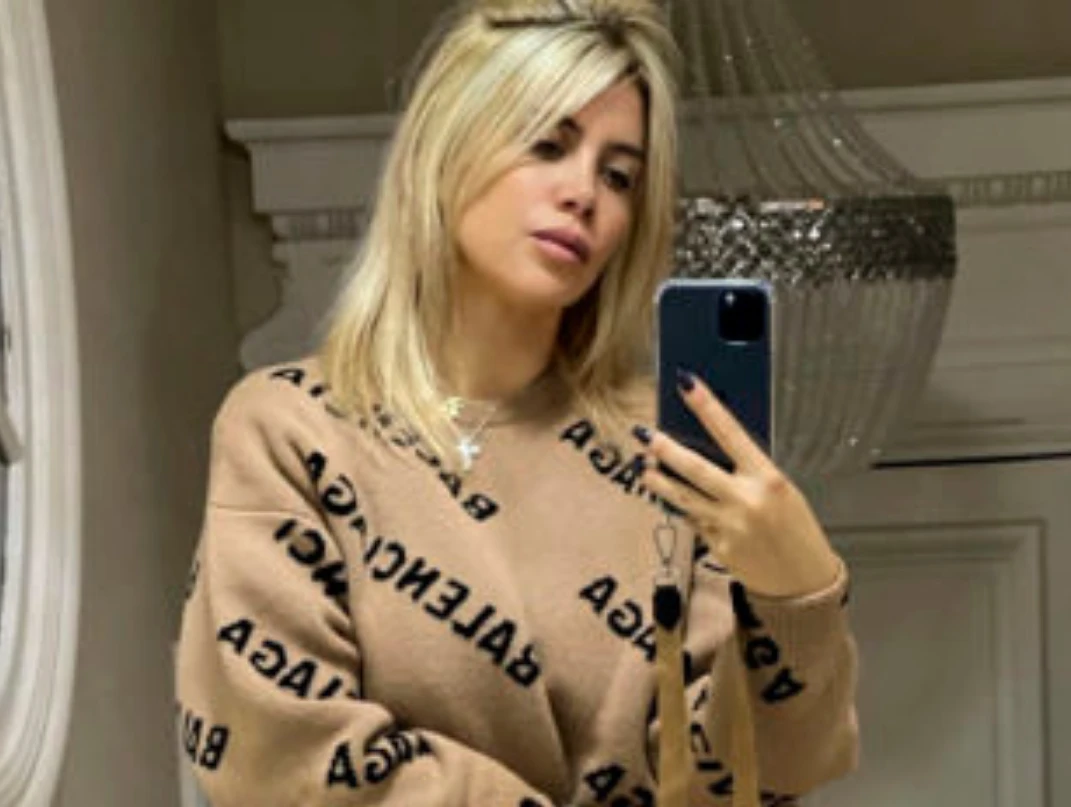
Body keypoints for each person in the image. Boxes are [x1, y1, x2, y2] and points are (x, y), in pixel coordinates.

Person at [174, 1, 859, 804]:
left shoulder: (664, 447)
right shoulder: (288, 428)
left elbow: (738, 782)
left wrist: (797, 593)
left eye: (619, 175)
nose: (584, 194)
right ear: (448, 146)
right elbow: (286, 756)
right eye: (547, 143)